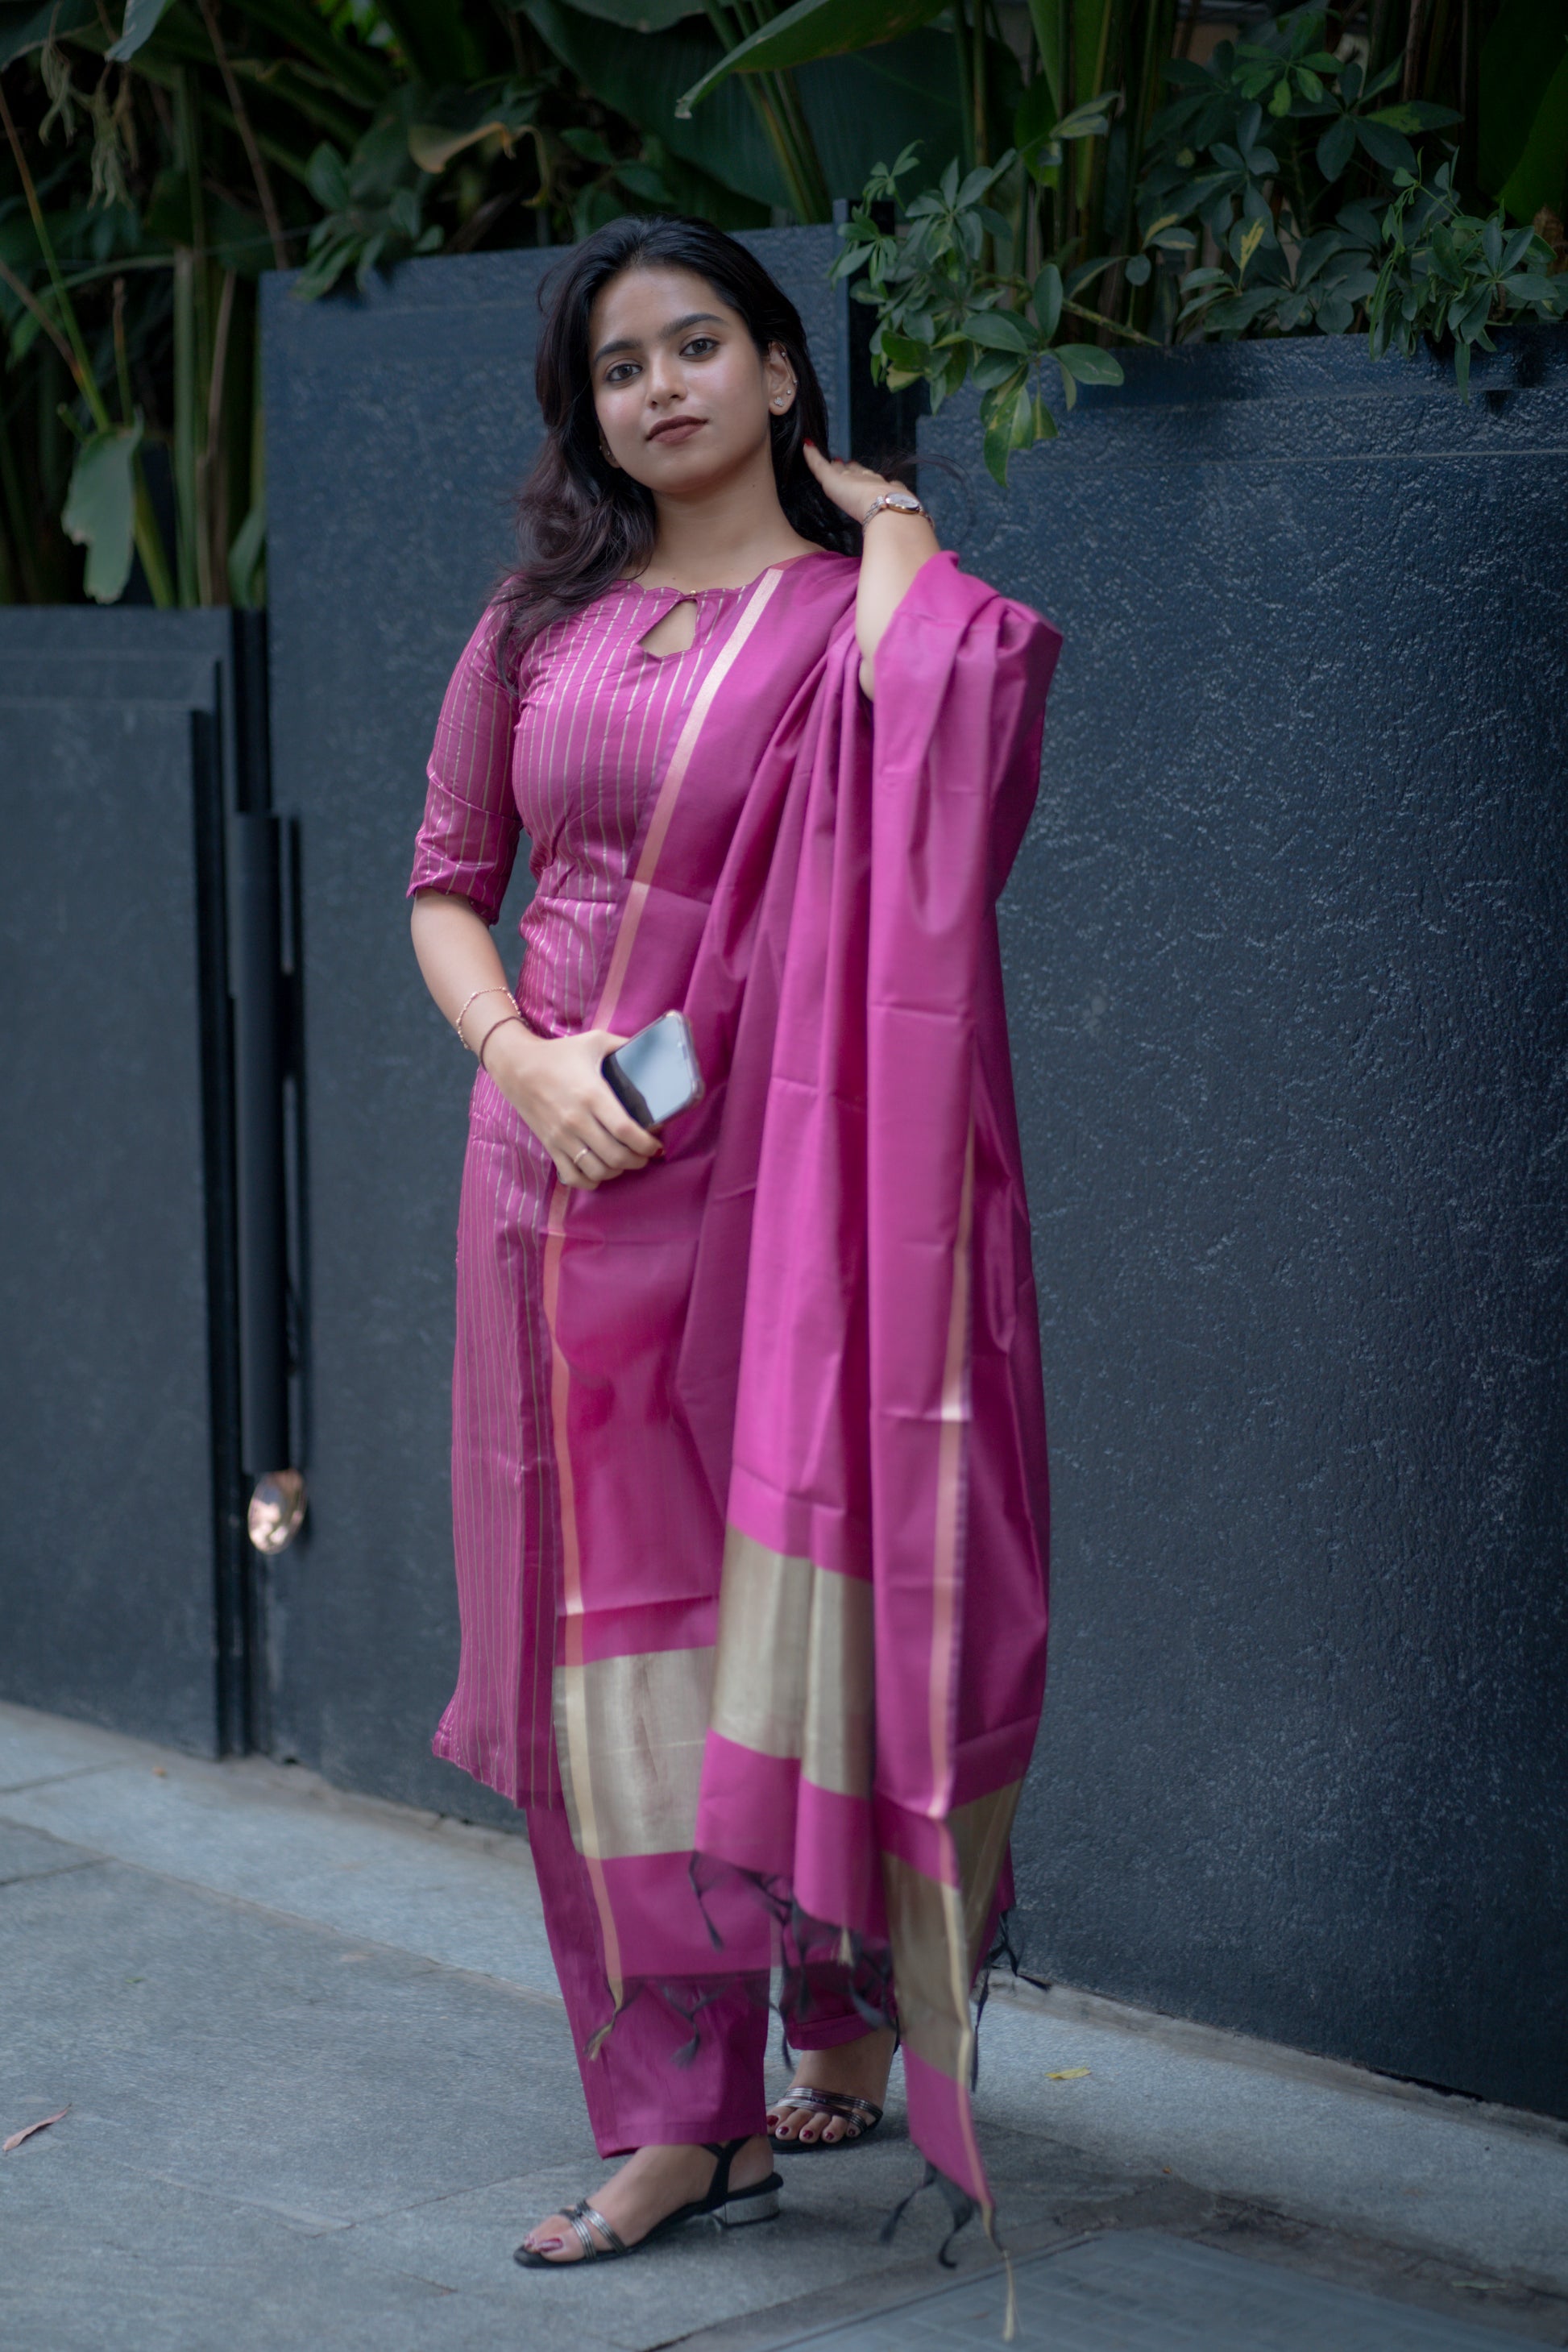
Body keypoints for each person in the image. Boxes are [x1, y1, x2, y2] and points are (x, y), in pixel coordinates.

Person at [409, 215, 1059, 2270]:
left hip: (790, 1184)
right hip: (554, 1179)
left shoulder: (855, 613)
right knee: (600, 1643)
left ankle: (845, 2015)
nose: (660, 386)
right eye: (619, 366)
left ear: (781, 370)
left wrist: (891, 526)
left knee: (805, 1590)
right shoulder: (534, 624)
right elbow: (447, 879)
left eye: (698, 344)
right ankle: (682, 2117)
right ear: (586, 413)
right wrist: (521, 1059)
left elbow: (948, 763)